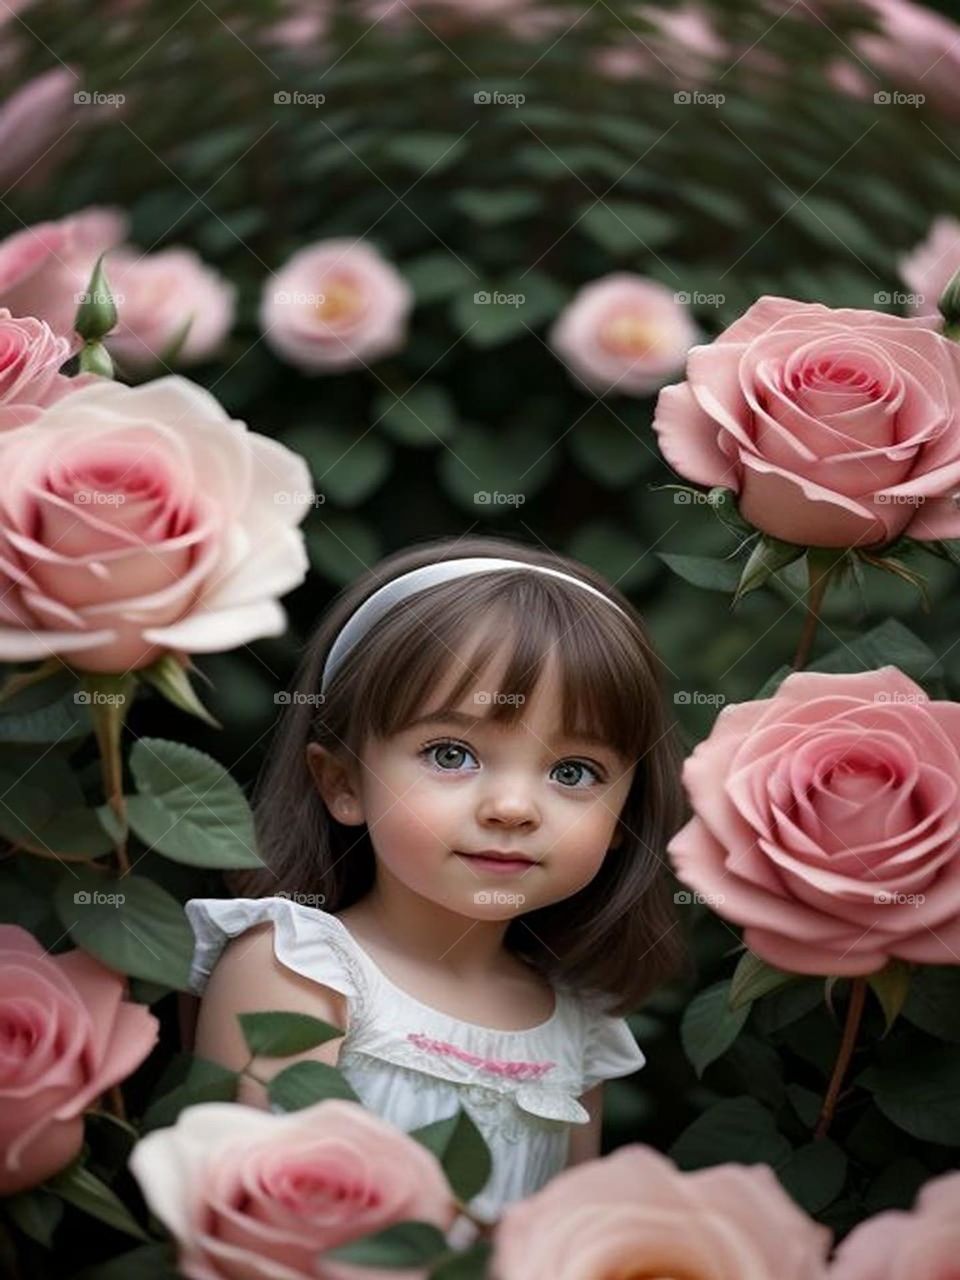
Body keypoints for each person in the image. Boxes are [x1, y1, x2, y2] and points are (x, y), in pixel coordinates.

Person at [185, 533, 689, 1233]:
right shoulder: (301, 969)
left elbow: (570, 1248)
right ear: (342, 783)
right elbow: (247, 1228)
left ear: (624, 812)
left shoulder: (579, 1027)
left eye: (573, 772)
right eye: (450, 754)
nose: (512, 808)